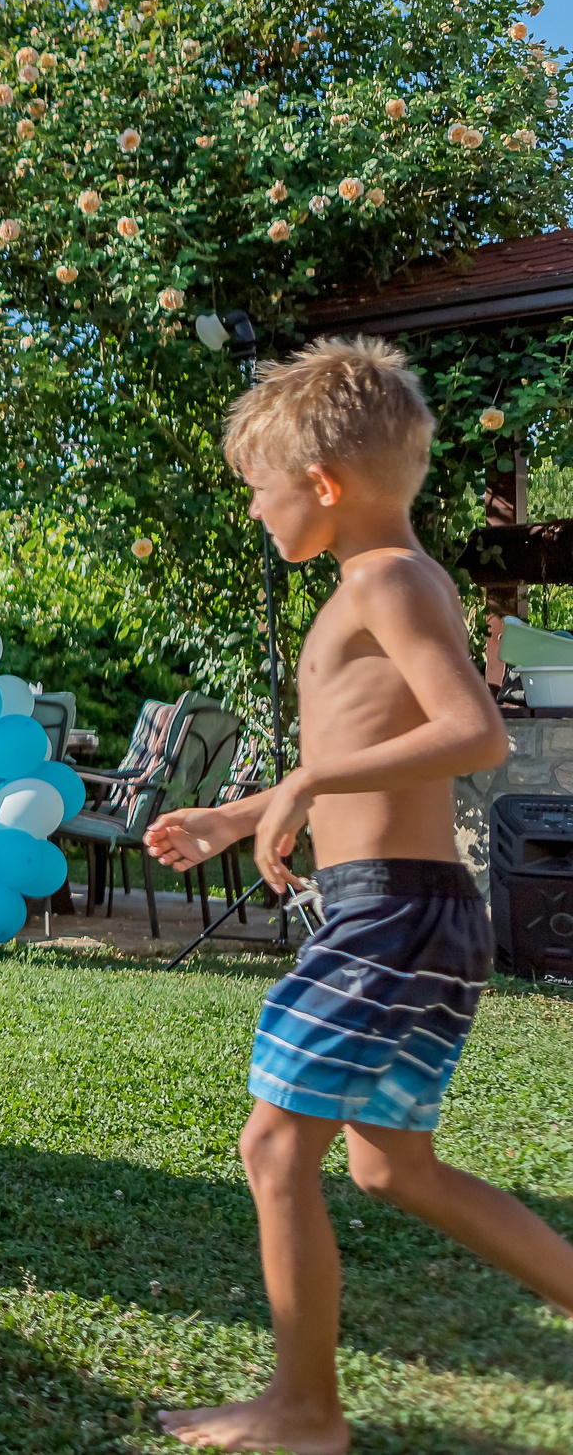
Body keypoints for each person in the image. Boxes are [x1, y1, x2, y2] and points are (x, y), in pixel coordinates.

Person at [145, 337, 573, 1452]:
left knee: (275, 1148)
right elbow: (367, 750)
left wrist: (306, 779)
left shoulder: (384, 579)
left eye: (258, 490)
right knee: (392, 1166)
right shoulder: (374, 585)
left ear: (321, 485)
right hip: (401, 905)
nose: (253, 513)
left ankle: (303, 1410)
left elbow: (472, 734)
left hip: (394, 913)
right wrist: (238, 817)